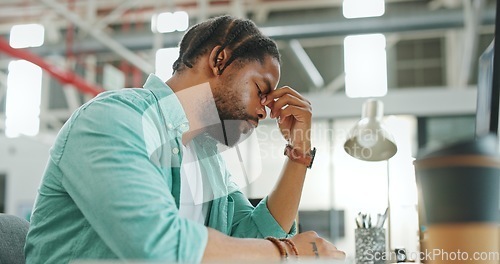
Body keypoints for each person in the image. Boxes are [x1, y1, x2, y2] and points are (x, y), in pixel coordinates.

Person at [24, 15, 346, 263]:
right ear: (219, 60)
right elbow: (155, 243)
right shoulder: (118, 119)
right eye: (261, 90)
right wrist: (285, 251)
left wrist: (299, 151)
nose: (265, 112)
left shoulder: (207, 157)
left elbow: (251, 236)